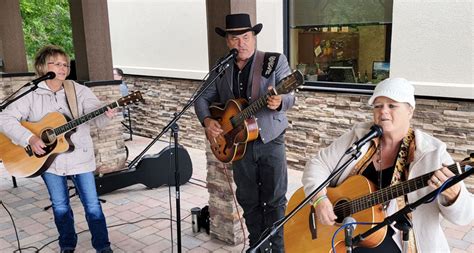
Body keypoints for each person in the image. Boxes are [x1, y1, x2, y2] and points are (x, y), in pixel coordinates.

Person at [302, 78, 473, 252]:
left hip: (398, 239)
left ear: (410, 111)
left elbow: (465, 216)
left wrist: (454, 195)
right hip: (345, 231)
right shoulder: (360, 137)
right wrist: (320, 199)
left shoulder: (432, 153)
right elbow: (317, 164)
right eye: (377, 106)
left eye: (392, 106)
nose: (383, 111)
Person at [194, 13, 295, 252]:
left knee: (275, 200)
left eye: (246, 37)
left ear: (254, 37)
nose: (242, 43)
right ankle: (257, 245)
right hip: (239, 145)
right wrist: (208, 121)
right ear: (227, 41)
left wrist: (280, 101)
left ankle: (277, 248)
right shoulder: (222, 67)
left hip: (270, 140)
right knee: (249, 200)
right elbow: (201, 97)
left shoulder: (273, 61)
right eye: (235, 38)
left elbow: (291, 95)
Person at [0, 45, 115, 253]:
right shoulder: (30, 93)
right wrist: (30, 137)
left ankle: (103, 247)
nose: (62, 68)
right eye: (56, 63)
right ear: (42, 66)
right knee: (60, 206)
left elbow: (93, 113)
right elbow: (4, 118)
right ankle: (67, 245)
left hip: (80, 158)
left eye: (65, 64)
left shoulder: (79, 91)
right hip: (49, 162)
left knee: (92, 206)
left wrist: (103, 113)